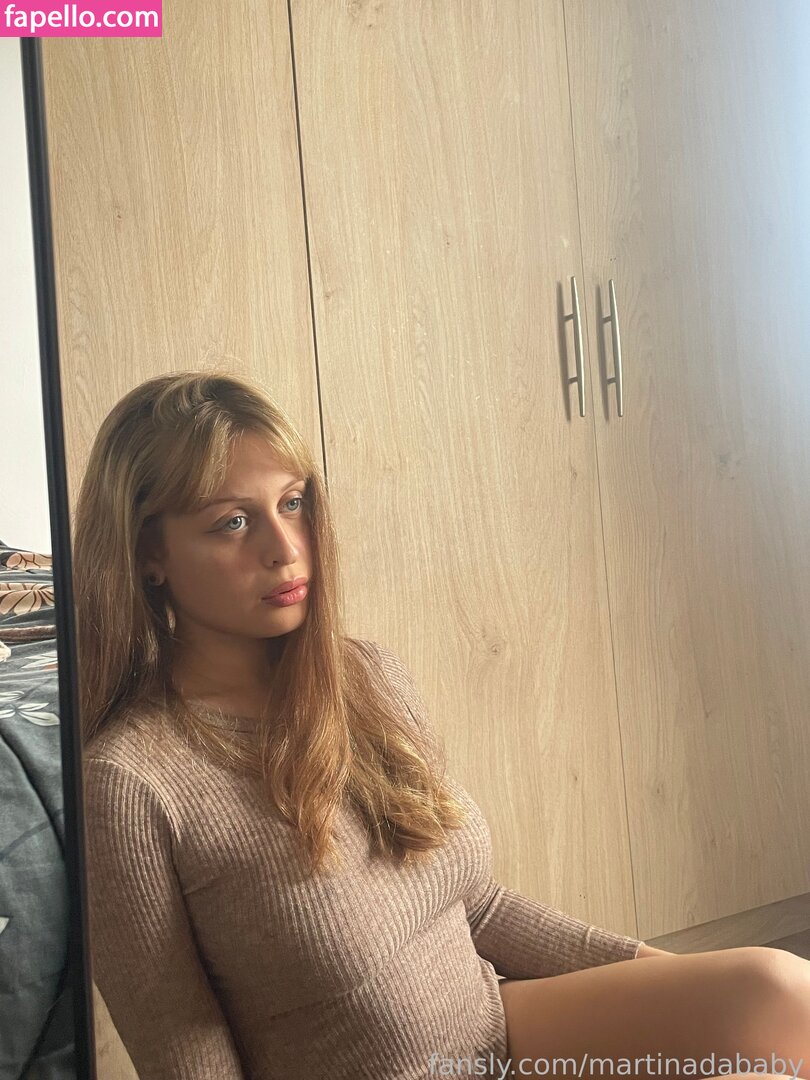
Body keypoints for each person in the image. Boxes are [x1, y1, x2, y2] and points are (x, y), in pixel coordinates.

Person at [74, 369, 810, 1080]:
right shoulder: (131, 785)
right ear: (149, 555)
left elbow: (478, 907)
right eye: (233, 522)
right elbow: (182, 1050)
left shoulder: (365, 678)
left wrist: (676, 982)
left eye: (293, 503)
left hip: (497, 1045)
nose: (285, 547)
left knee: (775, 995)